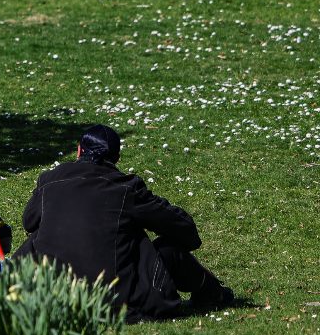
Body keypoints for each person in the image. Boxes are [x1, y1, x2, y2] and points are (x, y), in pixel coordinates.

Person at [12, 125, 234, 323]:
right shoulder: (125, 187)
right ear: (116, 158)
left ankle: (13, 294)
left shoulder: (50, 180)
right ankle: (212, 292)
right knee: (168, 250)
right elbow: (184, 230)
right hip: (120, 302)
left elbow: (29, 221)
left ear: (79, 151)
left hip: (57, 298)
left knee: (35, 240)